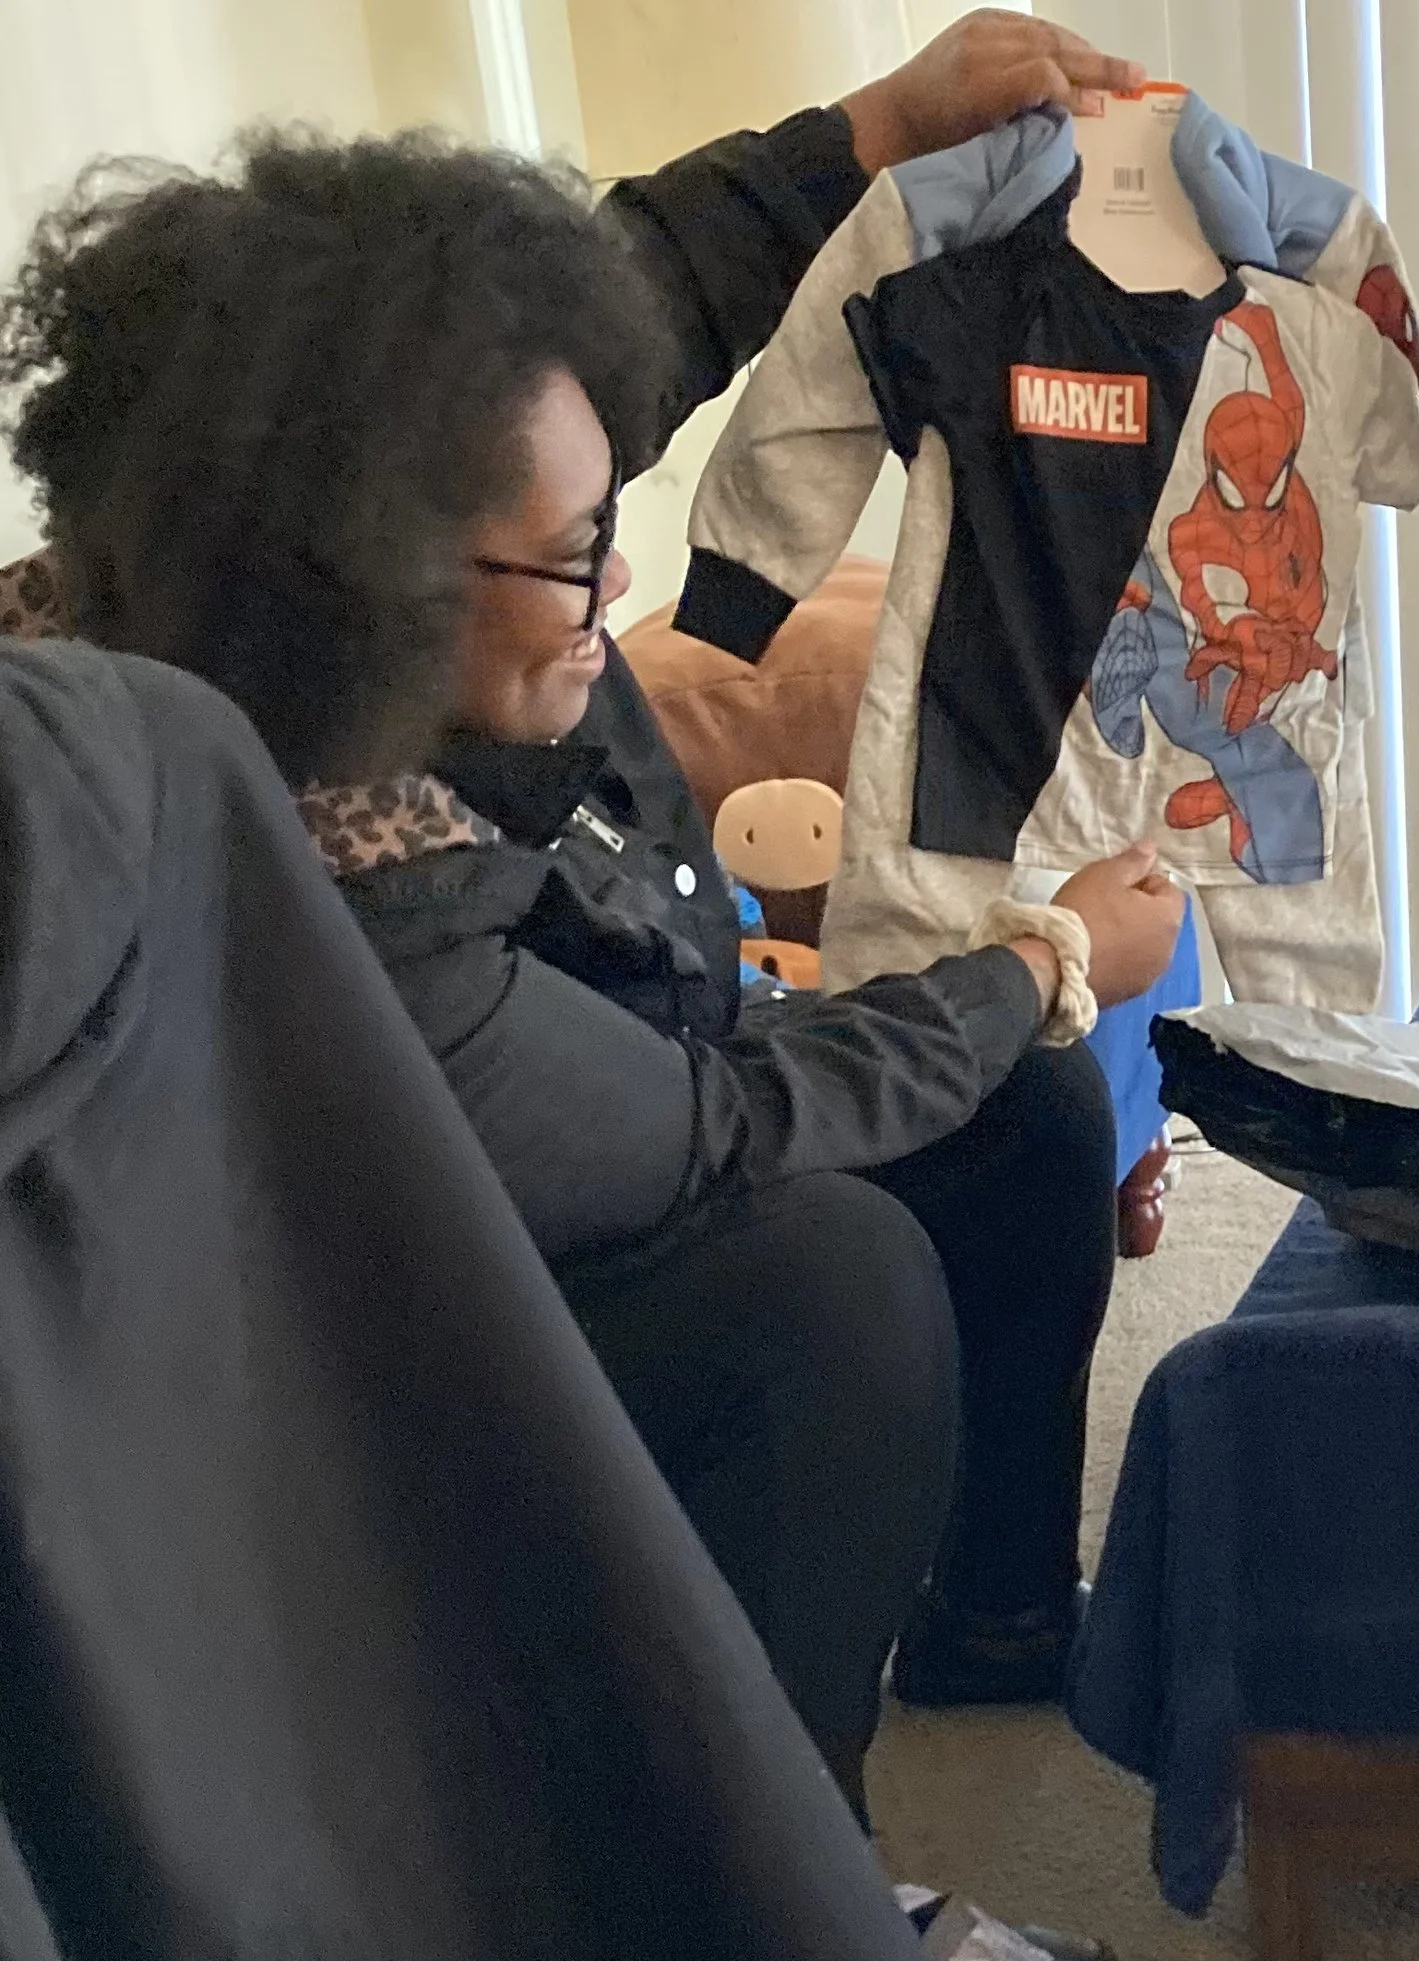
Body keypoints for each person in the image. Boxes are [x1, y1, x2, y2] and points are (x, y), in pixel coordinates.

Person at [0, 11, 1185, 1821]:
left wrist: (877, 125)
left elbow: (617, 306)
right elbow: (717, 1135)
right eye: (575, 554)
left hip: (618, 1057)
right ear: (369, 592)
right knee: (834, 1290)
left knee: (1020, 1120)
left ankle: (1000, 1621)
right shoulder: (320, 890)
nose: (616, 578)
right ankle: (787, 1870)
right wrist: (1042, 963)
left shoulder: (353, 511)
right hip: (396, 1317)